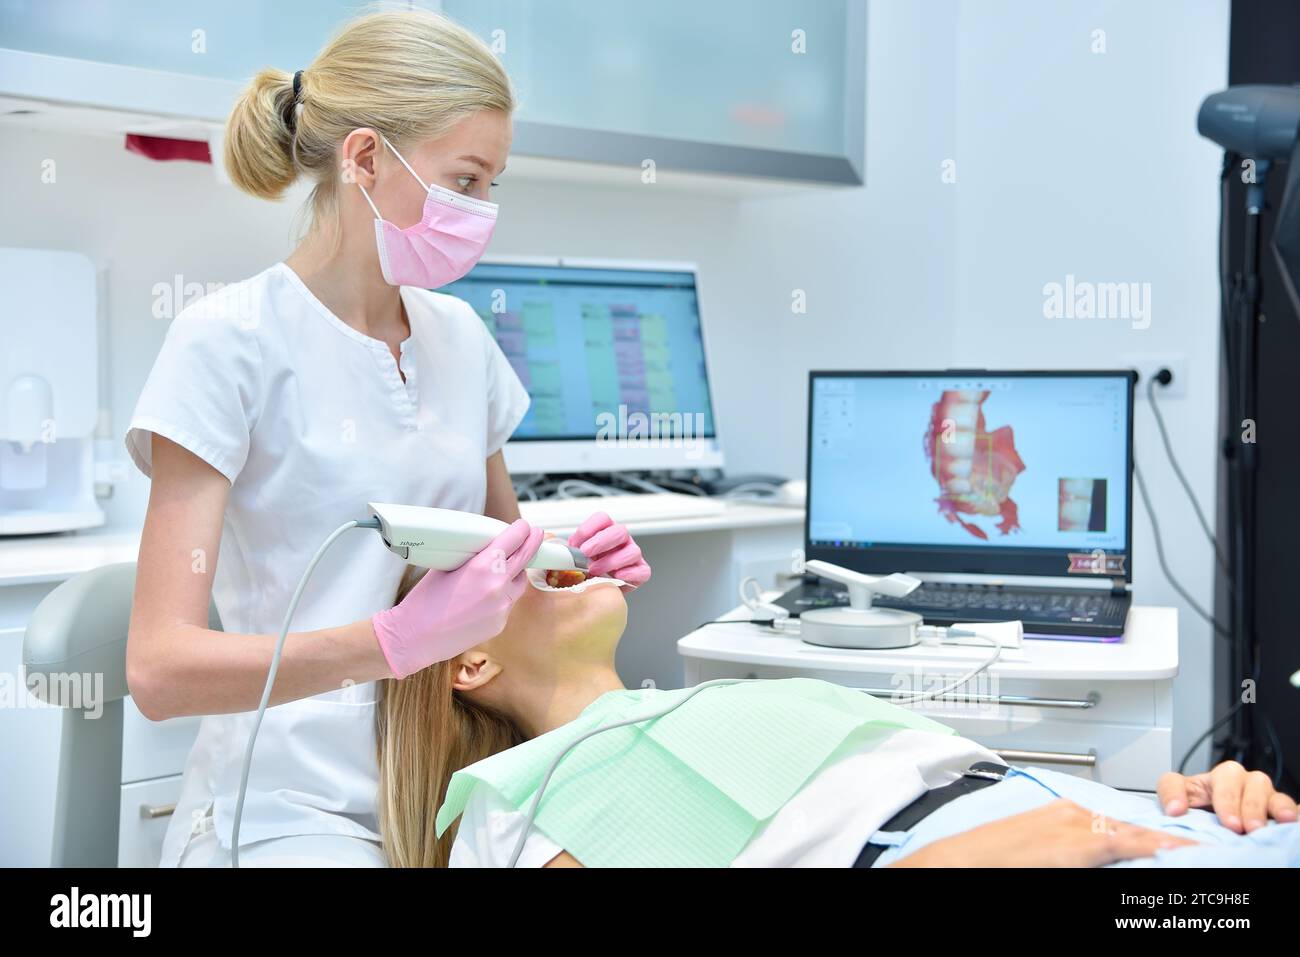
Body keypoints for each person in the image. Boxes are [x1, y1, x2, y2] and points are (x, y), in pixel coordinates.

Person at [123, 9, 650, 868]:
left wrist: (573, 561)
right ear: (364, 158)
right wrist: (395, 641)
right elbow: (158, 669)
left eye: (493, 183)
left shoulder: (461, 340)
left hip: (452, 785)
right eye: (466, 180)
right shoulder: (228, 341)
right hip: (286, 807)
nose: (484, 211)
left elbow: (505, 569)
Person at [376, 565, 1300, 868]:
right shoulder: (512, 796)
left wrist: (1184, 792)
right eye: (497, 571)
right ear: (469, 658)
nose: (541, 556)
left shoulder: (703, 700)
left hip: (1111, 824)